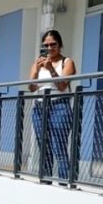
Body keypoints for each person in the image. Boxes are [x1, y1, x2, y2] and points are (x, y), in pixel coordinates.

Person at [28, 29, 76, 182]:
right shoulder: (38, 62)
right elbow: (31, 88)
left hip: (59, 106)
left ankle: (65, 182)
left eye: (53, 44)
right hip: (40, 107)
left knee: (59, 146)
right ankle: (46, 180)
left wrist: (51, 69)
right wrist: (36, 71)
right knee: (44, 147)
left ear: (60, 44)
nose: (49, 48)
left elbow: (62, 86)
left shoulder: (67, 62)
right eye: (46, 45)